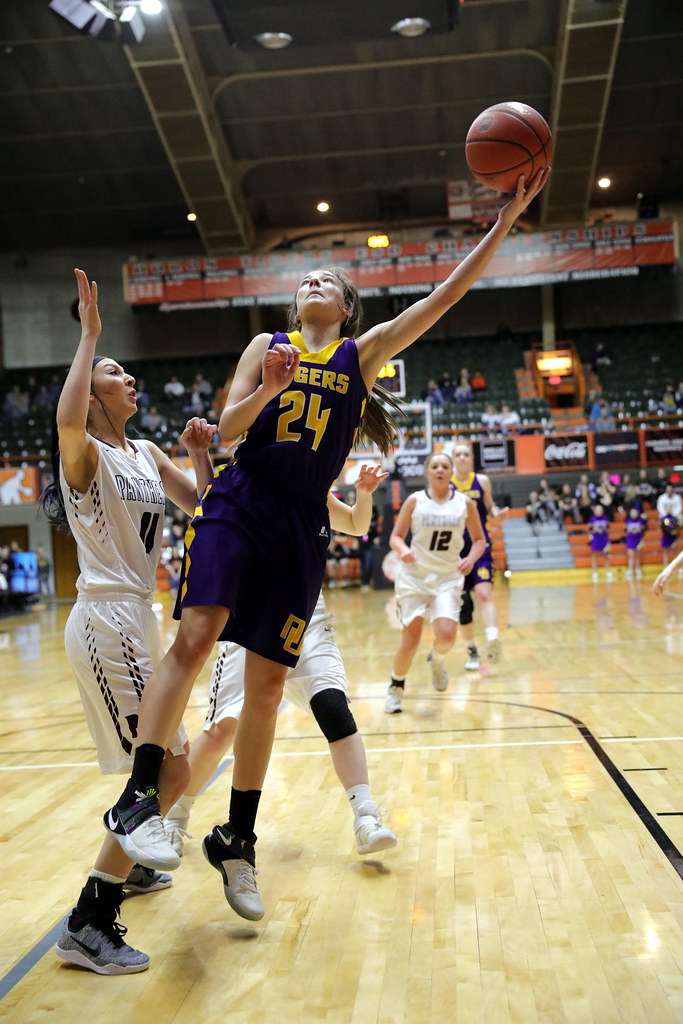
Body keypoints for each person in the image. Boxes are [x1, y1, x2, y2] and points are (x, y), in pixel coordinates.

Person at [99, 171, 548, 915]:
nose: (312, 280)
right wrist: (270, 387)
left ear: (345, 308)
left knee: (271, 688)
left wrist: (502, 221)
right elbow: (228, 430)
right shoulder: (265, 344)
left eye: (326, 280)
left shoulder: (361, 355)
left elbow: (444, 297)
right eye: (304, 276)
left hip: (302, 520)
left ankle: (236, 841)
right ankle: (142, 793)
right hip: (243, 501)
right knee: (200, 632)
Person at [40, 269, 216, 975]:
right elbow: (66, 419)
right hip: (104, 620)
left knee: (172, 769)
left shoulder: (143, 453)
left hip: (141, 619)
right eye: (116, 373)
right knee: (166, 771)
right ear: (94, 388)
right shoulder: (81, 452)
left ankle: (127, 868)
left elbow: (203, 507)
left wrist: (202, 453)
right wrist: (90, 338)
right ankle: (89, 920)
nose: (130, 379)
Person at [164, 466, 397, 887]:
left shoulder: (307, 482)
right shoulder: (236, 479)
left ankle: (365, 816)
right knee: (222, 730)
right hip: (247, 622)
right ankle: (176, 818)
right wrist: (199, 455)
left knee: (333, 707)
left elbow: (358, 525)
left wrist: (363, 493)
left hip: (305, 618)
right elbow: (203, 505)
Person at [385, 450, 485, 713]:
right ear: (427, 472)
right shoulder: (415, 500)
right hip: (415, 577)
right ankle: (396, 686)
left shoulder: (464, 503)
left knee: (447, 636)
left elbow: (479, 540)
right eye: (435, 466)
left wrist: (471, 559)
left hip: (447, 578)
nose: (440, 470)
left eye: (445, 466)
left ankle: (437, 661)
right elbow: (395, 536)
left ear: (451, 472)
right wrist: (402, 550)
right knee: (411, 639)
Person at [451, 440, 509, 666]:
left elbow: (490, 508)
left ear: (471, 459)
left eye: (466, 454)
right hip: (455, 552)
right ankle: (471, 650)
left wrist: (498, 514)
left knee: (485, 594)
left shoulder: (482, 481)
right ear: (454, 459)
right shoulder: (447, 484)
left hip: (480, 547)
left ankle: (493, 639)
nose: (463, 458)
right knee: (464, 603)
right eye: (459, 454)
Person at [656, 483, 682, 567]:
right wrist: (671, 528)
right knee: (666, 552)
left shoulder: (674, 518)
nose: (669, 508)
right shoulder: (665, 518)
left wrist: (676, 529)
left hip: (674, 536)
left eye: (670, 507)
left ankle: (679, 568)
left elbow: (677, 526)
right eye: (667, 507)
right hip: (667, 536)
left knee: (676, 551)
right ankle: (665, 567)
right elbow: (667, 527)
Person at [589, 503, 611, 581]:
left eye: (601, 510)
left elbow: (608, 529)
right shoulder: (592, 519)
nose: (599, 511)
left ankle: (608, 571)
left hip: (604, 538)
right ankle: (595, 572)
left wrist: (604, 529)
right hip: (596, 539)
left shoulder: (606, 518)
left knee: (606, 556)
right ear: (595, 511)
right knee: (594, 556)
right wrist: (595, 529)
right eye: (598, 510)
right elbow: (590, 529)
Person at [624, 506, 647, 580]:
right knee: (631, 555)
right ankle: (630, 570)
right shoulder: (627, 521)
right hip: (630, 539)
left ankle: (637, 569)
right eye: (632, 513)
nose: (634, 514)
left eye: (635, 513)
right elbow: (627, 529)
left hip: (638, 539)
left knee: (637, 555)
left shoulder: (640, 521)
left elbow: (642, 529)